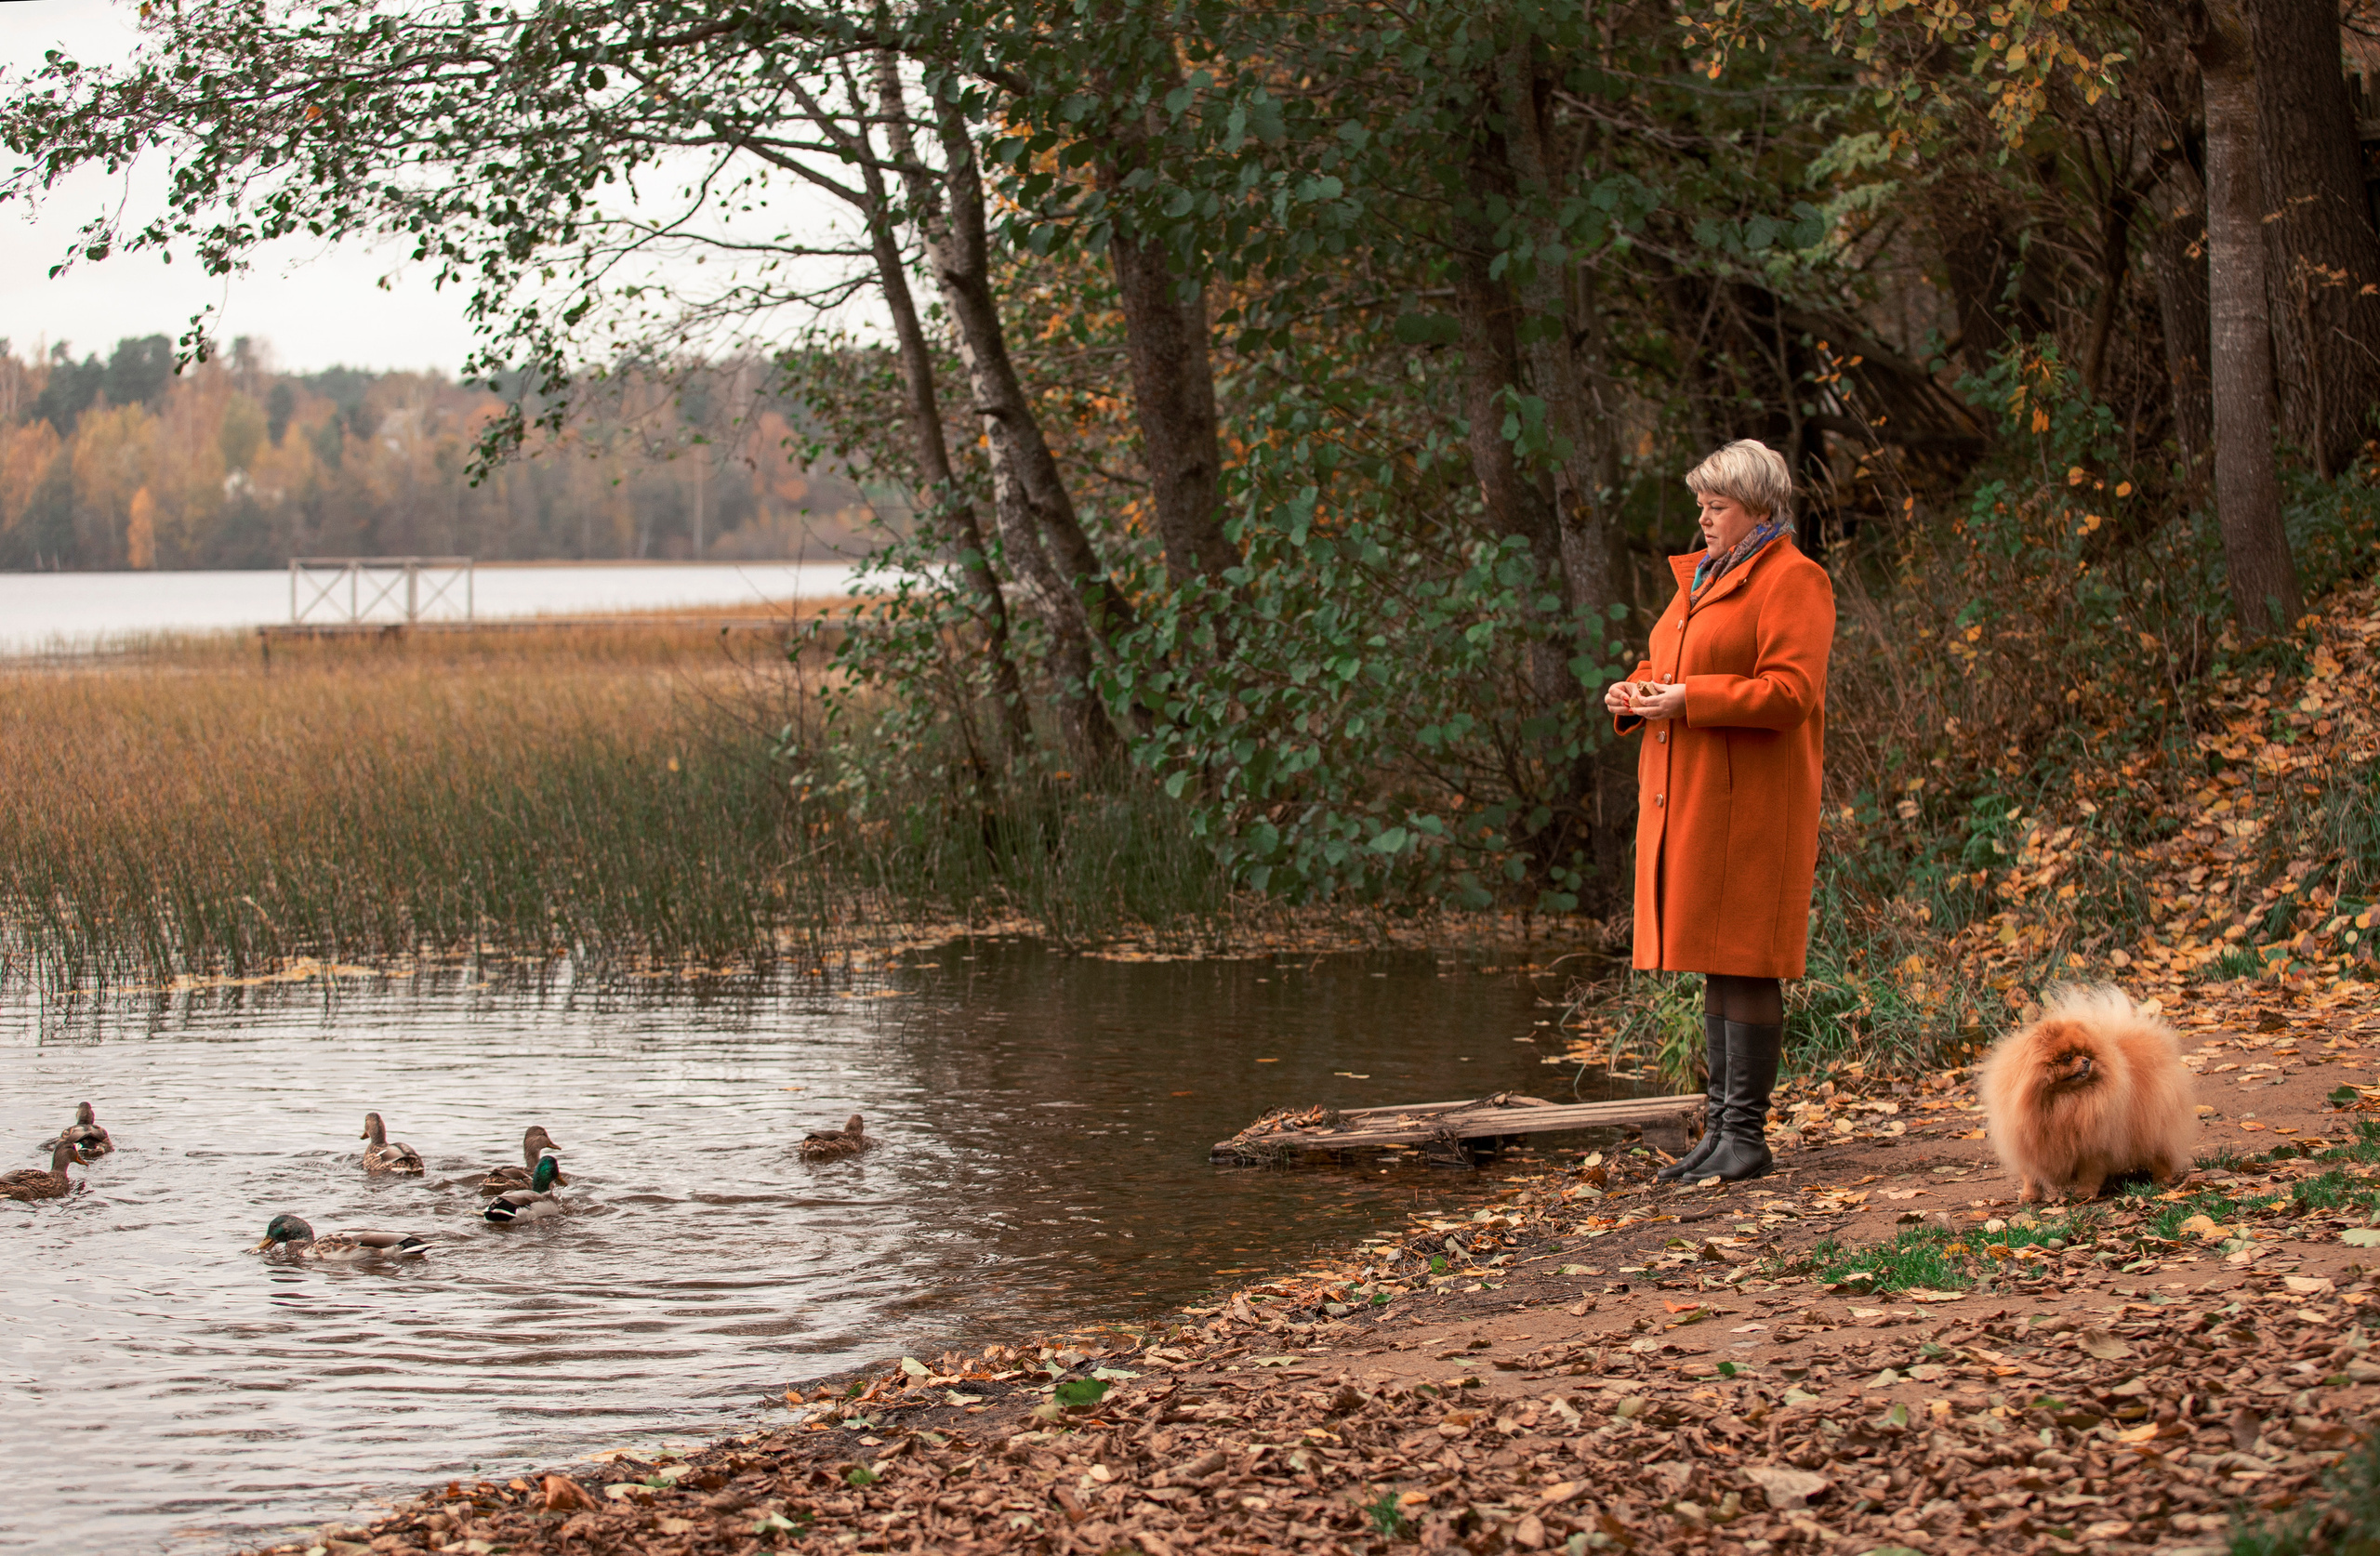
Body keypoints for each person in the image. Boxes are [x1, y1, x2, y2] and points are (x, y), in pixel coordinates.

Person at [1605, 440, 1834, 1182]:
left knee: (1748, 960)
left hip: (1754, 803)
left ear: (1759, 508)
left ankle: (1747, 1135)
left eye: (1718, 507)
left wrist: (1690, 700)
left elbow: (1789, 693)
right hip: (1698, 796)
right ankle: (1721, 1132)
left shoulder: (1796, 581)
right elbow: (1672, 662)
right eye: (1700, 505)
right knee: (1716, 962)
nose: (1702, 519)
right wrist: (1637, 692)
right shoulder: (1703, 577)